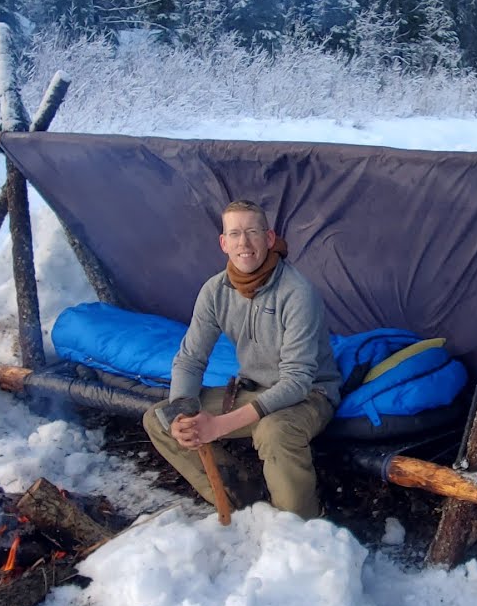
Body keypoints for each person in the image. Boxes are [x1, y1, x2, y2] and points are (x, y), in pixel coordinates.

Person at [142, 200, 342, 519]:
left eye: (252, 232)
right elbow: (190, 359)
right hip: (254, 389)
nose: (244, 243)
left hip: (308, 396)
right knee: (160, 419)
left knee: (273, 432)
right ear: (224, 242)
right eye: (234, 234)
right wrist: (183, 411)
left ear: (269, 238)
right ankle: (241, 498)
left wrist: (219, 425)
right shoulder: (215, 291)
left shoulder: (297, 293)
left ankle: (299, 529)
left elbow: (297, 381)